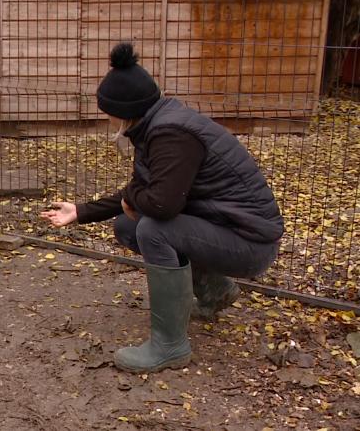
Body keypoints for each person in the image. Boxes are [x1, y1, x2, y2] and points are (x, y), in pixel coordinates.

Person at [40, 42, 284, 374]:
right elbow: (142, 192)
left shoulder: (171, 134)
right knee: (129, 227)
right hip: (227, 230)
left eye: (108, 112)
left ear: (123, 110)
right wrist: (82, 211)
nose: (108, 119)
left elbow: (161, 204)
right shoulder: (155, 124)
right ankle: (216, 291)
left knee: (154, 229)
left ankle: (170, 346)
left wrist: (132, 202)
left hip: (251, 244)